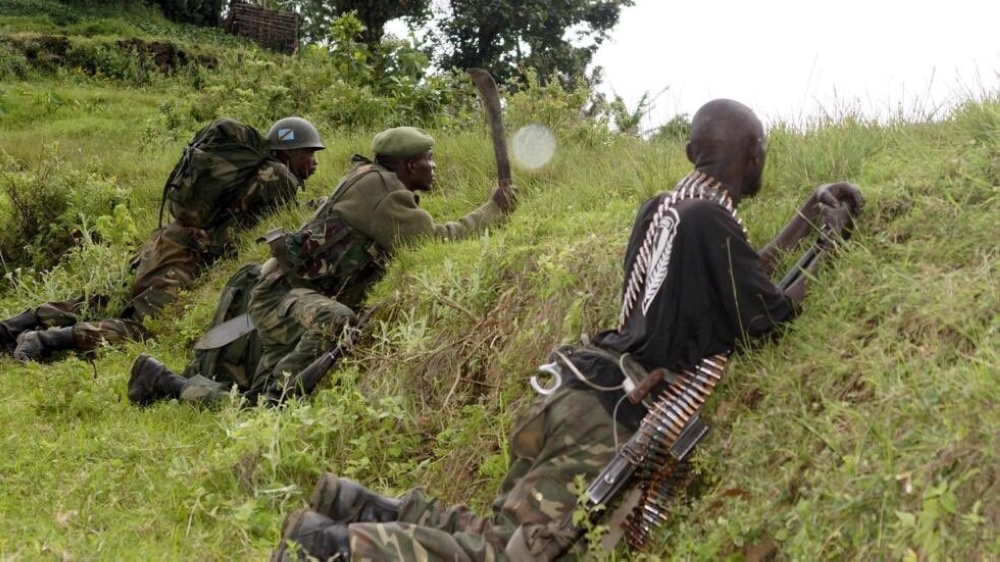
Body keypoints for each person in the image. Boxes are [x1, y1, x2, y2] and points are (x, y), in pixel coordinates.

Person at [269, 99, 864, 561]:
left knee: (504, 534)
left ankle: (359, 507)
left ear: (689, 152)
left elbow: (733, 272)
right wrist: (832, 242)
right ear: (755, 155)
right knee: (519, 555)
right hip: (612, 416)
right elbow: (769, 316)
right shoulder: (710, 221)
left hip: (573, 389)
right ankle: (333, 549)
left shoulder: (665, 209)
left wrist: (804, 217)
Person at [126, 126, 516, 407]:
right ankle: (270, 399)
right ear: (410, 166)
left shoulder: (369, 177)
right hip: (282, 296)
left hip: (289, 292)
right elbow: (434, 241)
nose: (434, 166)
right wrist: (493, 209)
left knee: (331, 323)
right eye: (429, 159)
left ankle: (241, 389)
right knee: (337, 321)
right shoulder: (382, 192)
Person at [0, 116, 324, 362]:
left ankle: (14, 326)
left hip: (163, 241)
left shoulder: (256, 170)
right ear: (290, 152)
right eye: (309, 153)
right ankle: (45, 342)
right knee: (143, 327)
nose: (315, 162)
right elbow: (275, 225)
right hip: (183, 254)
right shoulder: (280, 177)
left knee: (103, 300)